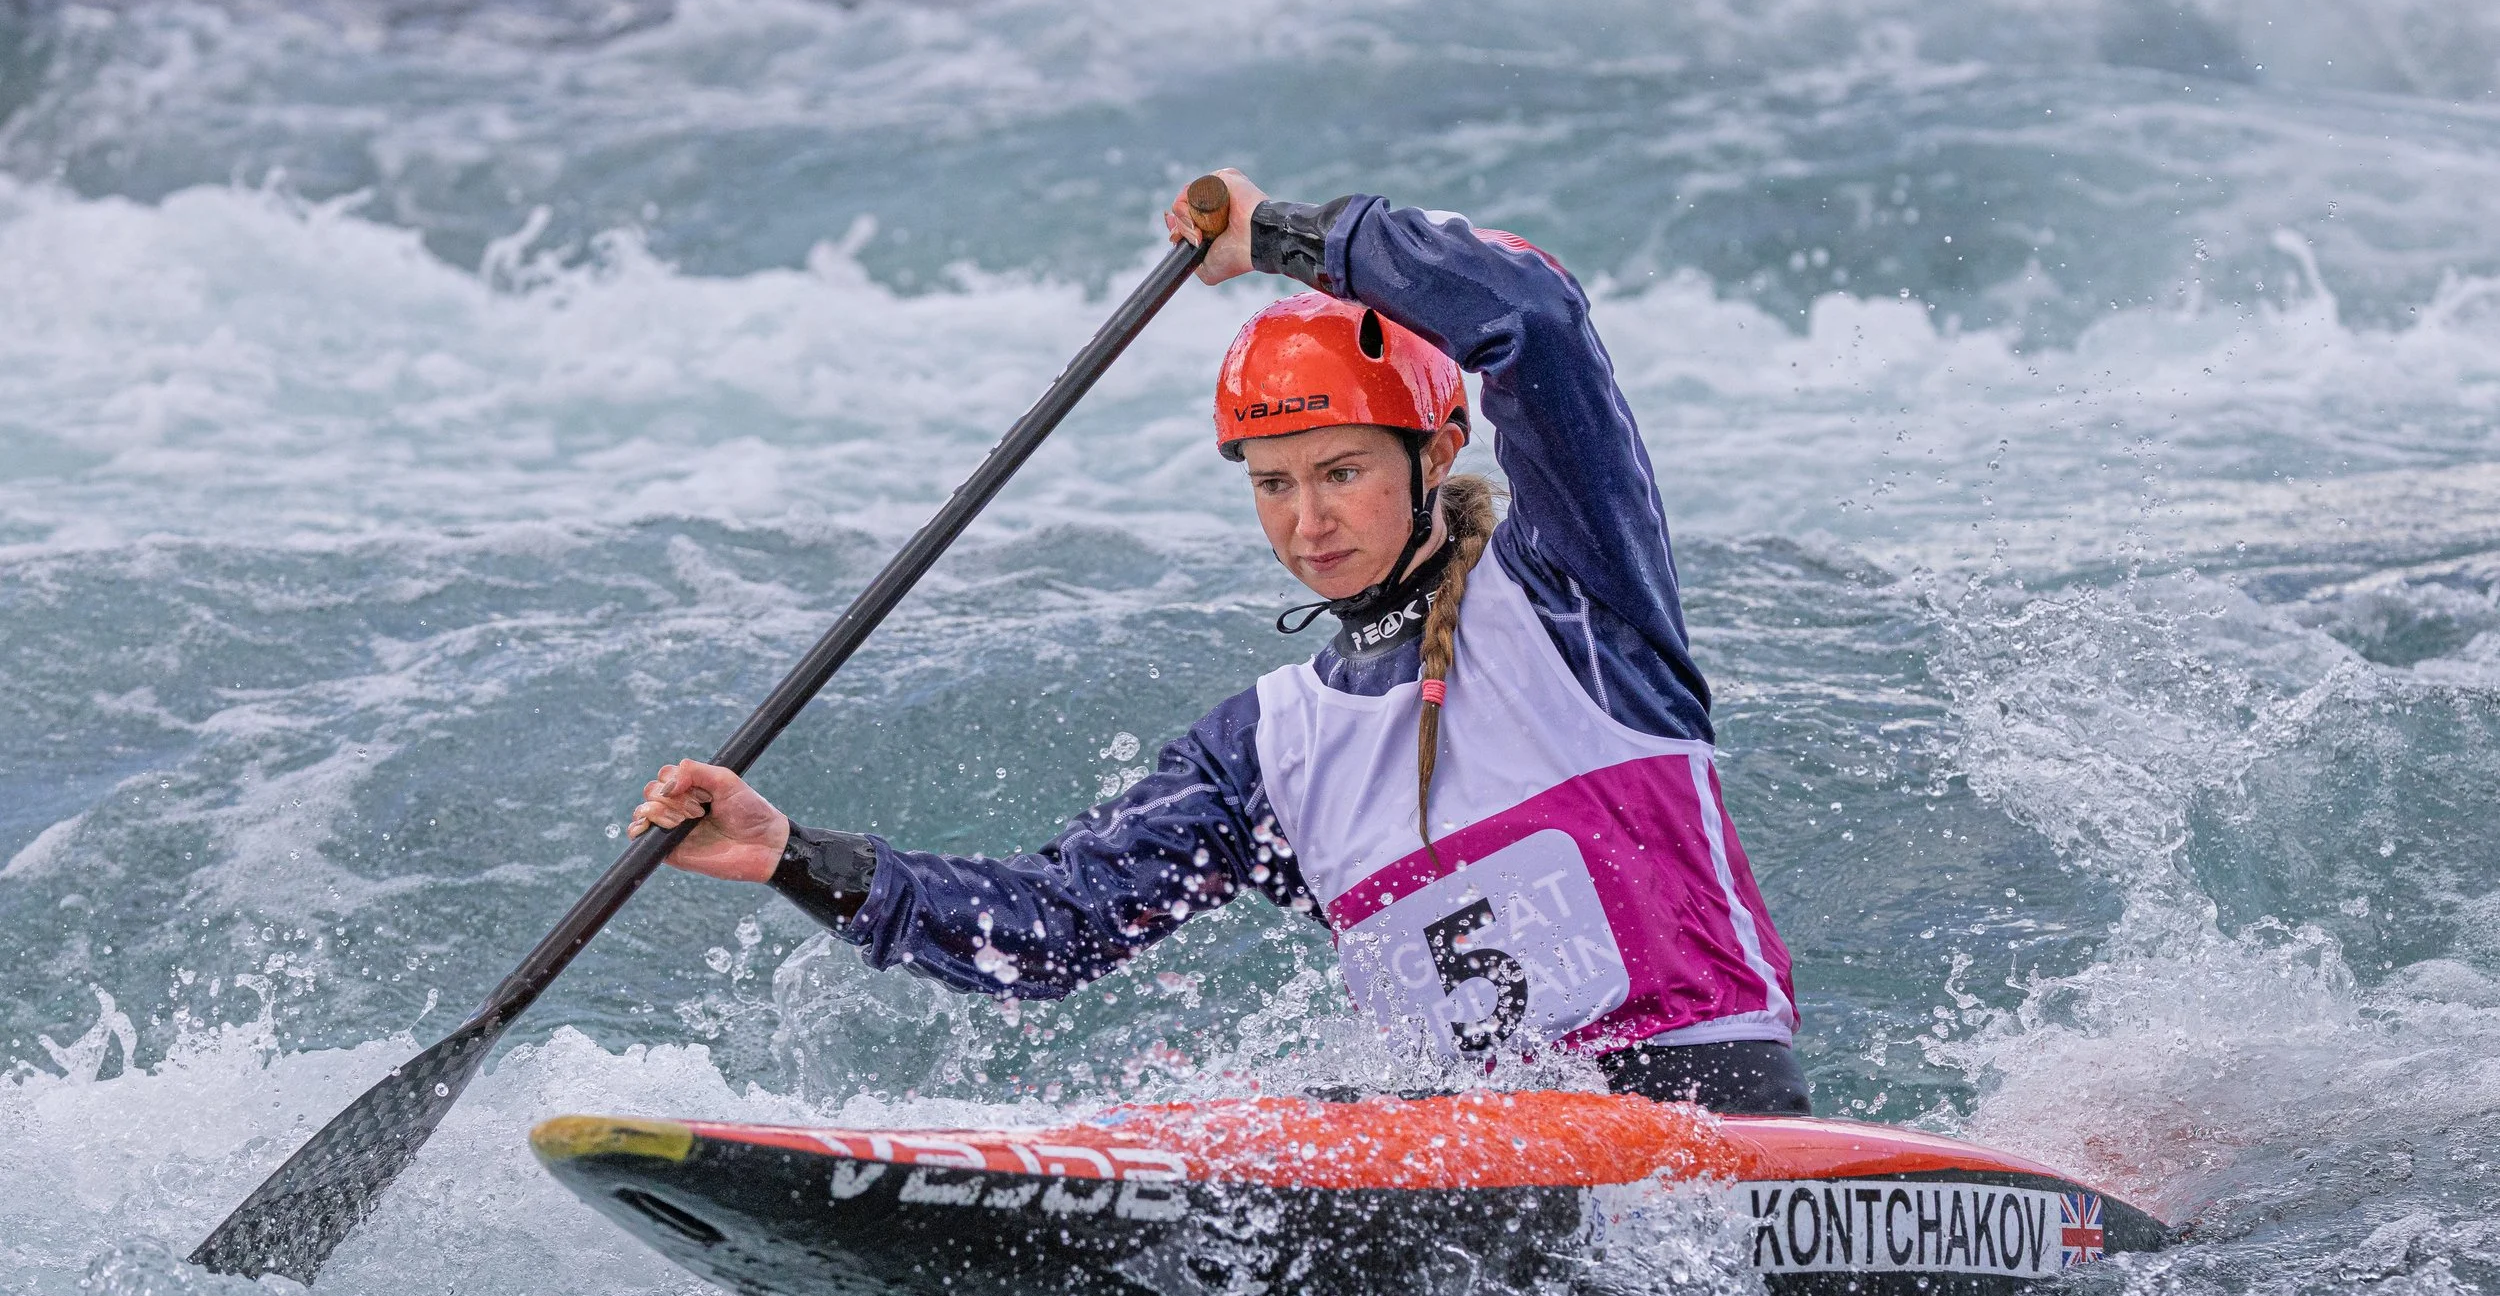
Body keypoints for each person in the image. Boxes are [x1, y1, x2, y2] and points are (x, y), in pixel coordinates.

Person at [628, 170, 1807, 1114]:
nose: (1309, 521)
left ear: (1435, 453)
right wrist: (788, 853)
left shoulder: (1574, 600)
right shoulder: (1268, 748)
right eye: (1275, 483)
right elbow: (1053, 924)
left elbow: (1534, 319)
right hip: (1472, 1168)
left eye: (1343, 472)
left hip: (1715, 1129)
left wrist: (1286, 236)